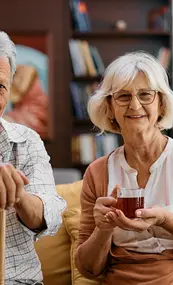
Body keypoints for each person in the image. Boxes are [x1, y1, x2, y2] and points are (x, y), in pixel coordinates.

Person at [75, 51, 173, 285]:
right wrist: (103, 229)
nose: (134, 105)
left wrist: (166, 220)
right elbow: (89, 269)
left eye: (145, 95)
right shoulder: (98, 172)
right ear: (109, 107)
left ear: (161, 103)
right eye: (122, 96)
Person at [0, 31, 66, 284]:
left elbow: (46, 216)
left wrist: (16, 193)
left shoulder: (27, 140)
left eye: (0, 86)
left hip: (17, 280)